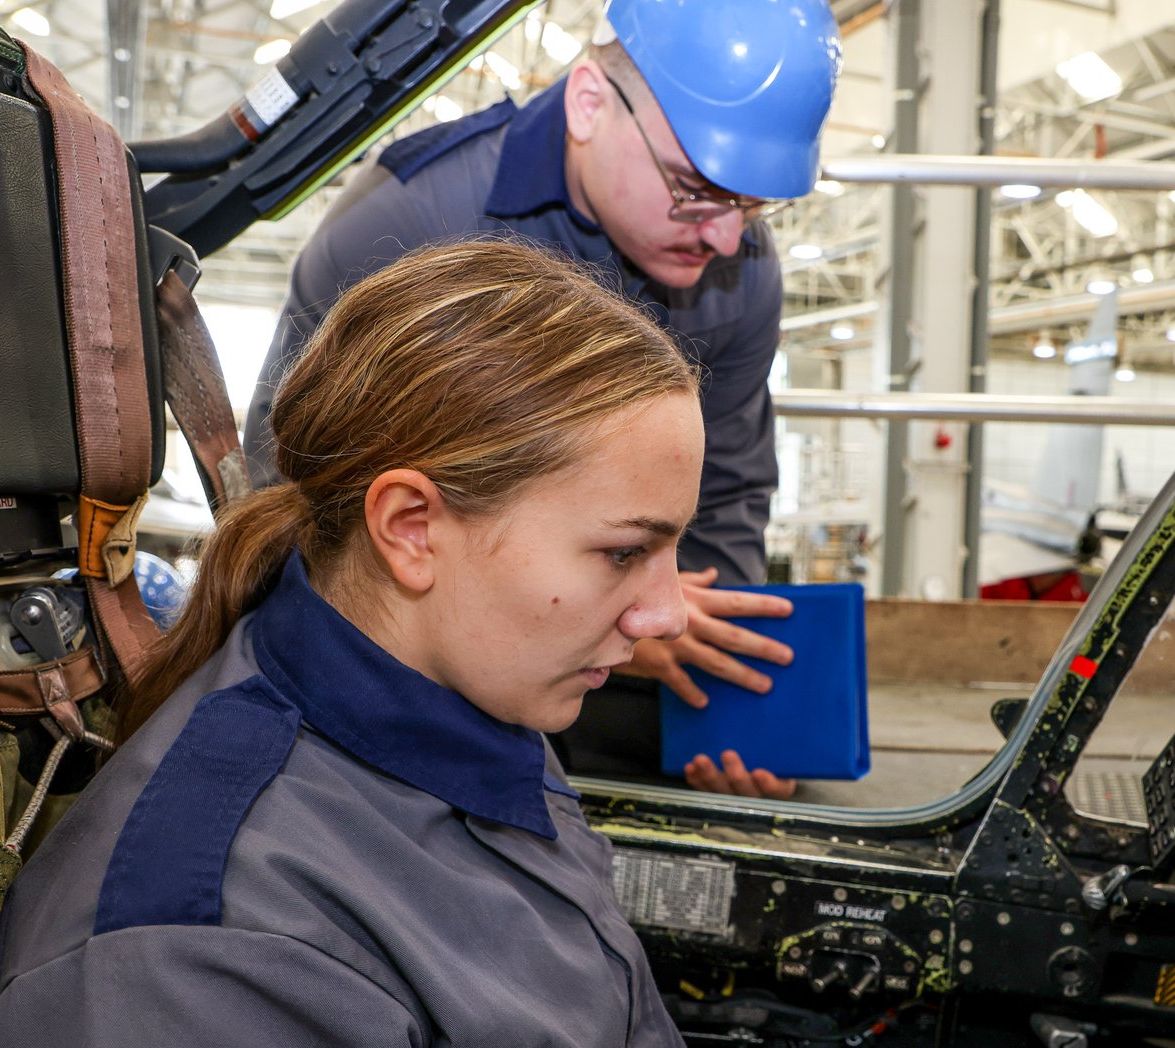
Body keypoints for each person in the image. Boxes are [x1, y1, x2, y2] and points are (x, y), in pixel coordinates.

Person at [0, 240, 854, 1048]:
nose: (661, 613)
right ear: (409, 527)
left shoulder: (482, 713)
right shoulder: (209, 954)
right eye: (623, 551)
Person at [243, 0, 843, 800]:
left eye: (752, 208)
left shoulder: (739, 269)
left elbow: (729, 487)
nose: (727, 241)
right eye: (697, 190)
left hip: (591, 632)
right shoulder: (410, 226)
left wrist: (724, 696)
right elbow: (293, 494)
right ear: (590, 102)